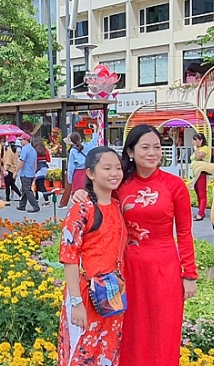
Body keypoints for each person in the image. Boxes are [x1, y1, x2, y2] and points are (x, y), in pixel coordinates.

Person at [73, 124, 198, 365]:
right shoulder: (120, 184)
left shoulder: (175, 186)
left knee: (164, 331)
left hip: (165, 269)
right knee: (130, 330)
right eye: (145, 147)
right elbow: (99, 202)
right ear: (130, 152)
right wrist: (81, 194)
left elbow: (184, 233)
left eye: (157, 147)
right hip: (127, 270)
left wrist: (189, 274)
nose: (152, 153)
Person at [57, 146, 126, 365]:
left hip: (112, 294)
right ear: (91, 173)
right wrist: (76, 302)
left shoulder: (116, 205)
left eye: (117, 168)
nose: (114, 173)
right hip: (86, 295)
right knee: (81, 351)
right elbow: (69, 257)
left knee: (108, 351)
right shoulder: (82, 209)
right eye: (107, 168)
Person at [59, 131, 98, 209]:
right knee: (87, 190)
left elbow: (71, 167)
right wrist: (95, 132)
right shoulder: (87, 146)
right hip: (87, 171)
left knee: (77, 193)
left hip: (78, 173)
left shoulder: (73, 151)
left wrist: (70, 180)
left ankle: (79, 209)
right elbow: (94, 141)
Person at [14, 133, 39, 213]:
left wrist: (16, 172)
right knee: (25, 189)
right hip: (31, 173)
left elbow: (22, 162)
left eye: (21, 140)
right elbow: (35, 163)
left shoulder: (25, 149)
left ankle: (35, 206)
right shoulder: (33, 150)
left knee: (27, 190)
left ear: (25, 140)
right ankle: (22, 205)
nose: (20, 142)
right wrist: (34, 173)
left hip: (25, 173)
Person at [191, 133, 211, 221]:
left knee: (202, 194)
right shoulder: (198, 149)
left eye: (195, 140)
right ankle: (200, 210)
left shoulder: (205, 148)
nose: (193, 142)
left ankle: (201, 213)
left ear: (201, 140)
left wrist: (195, 147)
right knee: (198, 193)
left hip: (202, 173)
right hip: (195, 174)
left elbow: (198, 156)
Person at [33, 137, 51, 206]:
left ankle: (45, 199)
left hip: (37, 167)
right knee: (40, 183)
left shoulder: (34, 150)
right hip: (44, 167)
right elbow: (49, 159)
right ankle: (38, 198)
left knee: (39, 184)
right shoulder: (45, 150)